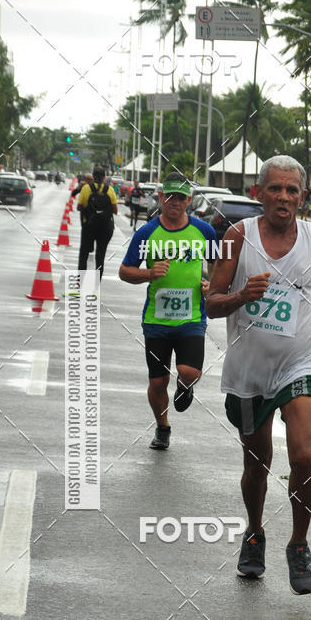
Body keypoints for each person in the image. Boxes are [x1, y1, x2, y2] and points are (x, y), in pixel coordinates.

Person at [206, 154, 311, 595]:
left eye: (292, 190)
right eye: (275, 188)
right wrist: (239, 296)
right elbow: (211, 302)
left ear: (303, 197)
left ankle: (299, 542)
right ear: (259, 193)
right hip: (249, 372)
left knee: (304, 456)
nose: (284, 197)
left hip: (298, 364)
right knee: (257, 463)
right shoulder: (237, 237)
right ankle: (254, 533)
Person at [119, 173, 217, 450]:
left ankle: (185, 385)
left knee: (189, 371)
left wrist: (213, 285)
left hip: (191, 318)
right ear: (161, 197)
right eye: (170, 196)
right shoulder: (147, 233)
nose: (175, 202)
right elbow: (125, 271)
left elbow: (219, 264)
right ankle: (163, 428)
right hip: (156, 320)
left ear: (189, 200)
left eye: (181, 197)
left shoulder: (204, 231)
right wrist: (149, 273)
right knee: (158, 380)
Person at [77, 166, 118, 279]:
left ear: (93, 176)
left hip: (89, 227)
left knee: (83, 255)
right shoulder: (109, 190)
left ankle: (80, 283)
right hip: (105, 228)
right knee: (100, 257)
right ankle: (95, 286)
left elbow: (79, 207)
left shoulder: (86, 188)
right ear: (104, 177)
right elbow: (115, 211)